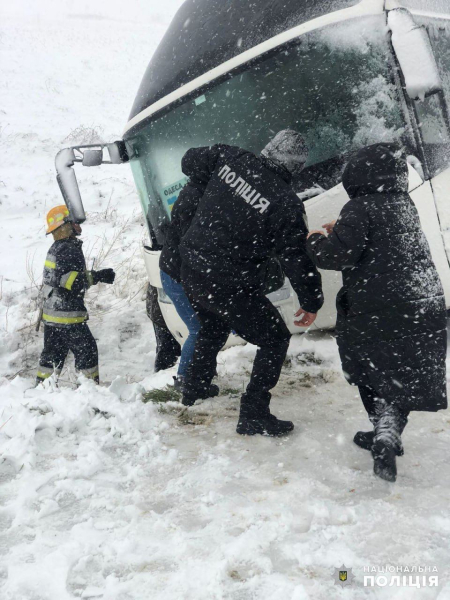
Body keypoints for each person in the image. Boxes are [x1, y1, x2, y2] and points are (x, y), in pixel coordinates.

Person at [306, 143, 447, 482]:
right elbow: (377, 241)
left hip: (380, 306)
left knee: (369, 368)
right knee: (405, 372)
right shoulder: (403, 202)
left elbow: (336, 256)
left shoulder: (357, 206)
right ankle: (387, 430)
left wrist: (314, 240)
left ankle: (384, 429)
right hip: (421, 298)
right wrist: (341, 230)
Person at [178, 130, 324, 436]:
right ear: (295, 167)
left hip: (192, 267)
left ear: (269, 148)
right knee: (275, 339)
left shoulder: (230, 156)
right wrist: (312, 302)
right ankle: (254, 413)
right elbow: (296, 257)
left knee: (213, 326)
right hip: (229, 282)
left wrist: (218, 184)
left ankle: (194, 387)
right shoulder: (286, 204)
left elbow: (189, 161)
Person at [36, 205, 116, 385]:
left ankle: (41, 390)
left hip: (52, 315)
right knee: (87, 352)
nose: (79, 225)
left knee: (51, 357)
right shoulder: (68, 248)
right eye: (75, 222)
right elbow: (70, 283)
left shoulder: (57, 247)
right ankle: (88, 392)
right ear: (66, 226)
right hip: (67, 315)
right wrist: (98, 276)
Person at [159, 158, 219, 395]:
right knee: (198, 328)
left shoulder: (195, 191)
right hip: (176, 276)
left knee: (207, 325)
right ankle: (185, 379)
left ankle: (200, 373)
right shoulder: (197, 199)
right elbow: (194, 245)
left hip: (177, 272)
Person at [145, 283, 181, 372]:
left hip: (164, 308)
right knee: (167, 351)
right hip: (163, 312)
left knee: (167, 350)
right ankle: (161, 378)